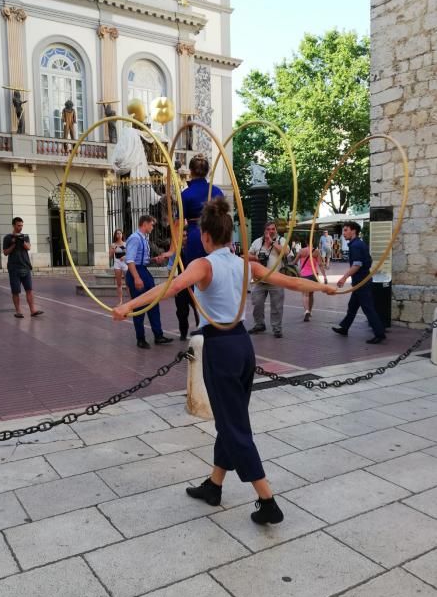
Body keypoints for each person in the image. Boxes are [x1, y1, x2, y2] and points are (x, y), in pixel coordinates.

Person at [113, 197, 336, 524]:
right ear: (230, 234)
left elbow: (169, 289)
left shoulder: (203, 265)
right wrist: (326, 289)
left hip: (219, 349)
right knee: (231, 419)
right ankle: (214, 485)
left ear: (205, 236)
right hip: (243, 346)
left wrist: (127, 307)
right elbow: (289, 281)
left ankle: (268, 500)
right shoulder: (245, 264)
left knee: (233, 426)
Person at [332, 220, 386, 344]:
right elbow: (368, 260)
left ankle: (379, 333)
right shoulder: (359, 244)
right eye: (343, 231)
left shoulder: (356, 245)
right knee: (352, 307)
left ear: (353, 231)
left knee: (368, 309)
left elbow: (356, 265)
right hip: (361, 281)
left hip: (362, 283)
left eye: (346, 230)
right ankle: (345, 328)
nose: (343, 233)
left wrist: (343, 277)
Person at [125, 214, 172, 349]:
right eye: (151, 224)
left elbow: (142, 260)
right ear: (144, 224)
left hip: (144, 271)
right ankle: (141, 339)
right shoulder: (135, 238)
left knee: (153, 304)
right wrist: (136, 278)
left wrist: (154, 259)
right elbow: (130, 260)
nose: (153, 227)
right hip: (138, 272)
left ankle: (158, 335)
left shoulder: (143, 239)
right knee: (139, 306)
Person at [247, 221, 289, 338]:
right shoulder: (257, 242)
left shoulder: (280, 240)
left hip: (276, 279)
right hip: (260, 279)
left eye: (273, 229)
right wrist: (255, 257)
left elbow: (286, 252)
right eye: (269, 229)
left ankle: (277, 329)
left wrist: (272, 243)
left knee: (277, 306)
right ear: (265, 230)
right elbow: (247, 255)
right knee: (257, 303)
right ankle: (259, 324)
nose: (271, 231)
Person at [2, 217, 43, 319]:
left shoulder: (25, 236)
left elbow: (28, 247)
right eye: (18, 225)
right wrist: (14, 244)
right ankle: (18, 311)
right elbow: (5, 252)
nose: (20, 227)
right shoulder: (7, 237)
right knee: (16, 291)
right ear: (14, 225)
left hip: (25, 266)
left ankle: (33, 310)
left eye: (21, 225)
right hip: (14, 268)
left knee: (29, 289)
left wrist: (22, 241)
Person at [171, 228, 199, 341]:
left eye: (186, 236)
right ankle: (183, 333)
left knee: (200, 310)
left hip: (194, 285)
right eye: (182, 236)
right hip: (181, 286)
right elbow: (171, 270)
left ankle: (202, 330)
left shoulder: (194, 249)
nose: (185, 238)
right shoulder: (175, 251)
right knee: (182, 312)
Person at [293, 243, 328, 321]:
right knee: (311, 294)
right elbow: (320, 264)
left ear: (306, 243)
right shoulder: (316, 251)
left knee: (305, 294)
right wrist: (325, 277)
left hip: (304, 275)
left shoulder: (301, 251)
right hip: (314, 275)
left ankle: (306, 311)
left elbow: (294, 262)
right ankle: (310, 311)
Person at [109, 229, 127, 306]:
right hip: (117, 264)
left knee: (128, 283)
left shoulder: (126, 244)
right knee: (119, 283)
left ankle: (131, 299)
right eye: (117, 234)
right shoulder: (113, 244)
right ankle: (120, 301)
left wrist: (125, 257)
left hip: (125, 264)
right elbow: (110, 257)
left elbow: (130, 254)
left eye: (120, 233)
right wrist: (113, 250)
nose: (119, 235)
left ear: (122, 235)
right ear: (115, 235)